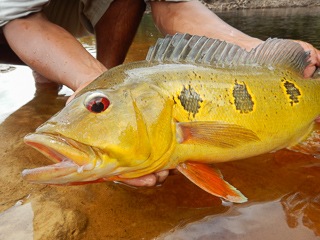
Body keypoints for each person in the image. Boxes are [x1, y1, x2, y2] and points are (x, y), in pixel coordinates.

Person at [1, 0, 320, 187]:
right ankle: (57, 79)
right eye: (98, 106)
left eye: (99, 106)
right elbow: (19, 19)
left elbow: (175, 7)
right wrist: (94, 82)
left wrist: (255, 51)